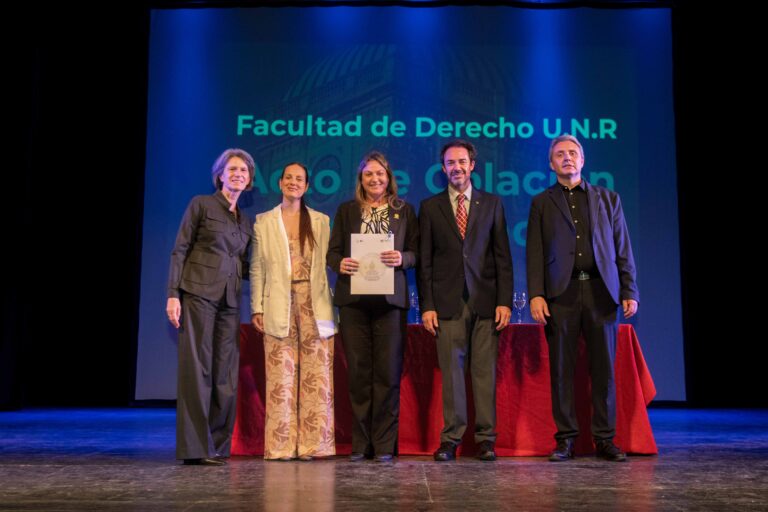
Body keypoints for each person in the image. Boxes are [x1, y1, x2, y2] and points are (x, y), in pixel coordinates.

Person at [526, 134, 639, 462]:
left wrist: (629, 290)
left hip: (602, 292)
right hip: (561, 295)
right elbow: (534, 253)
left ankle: (605, 438)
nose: (567, 158)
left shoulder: (608, 199)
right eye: (560, 154)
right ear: (551, 164)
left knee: (604, 370)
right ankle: (565, 439)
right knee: (561, 370)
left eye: (573, 153)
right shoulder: (541, 202)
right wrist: (536, 295)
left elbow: (622, 248)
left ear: (583, 159)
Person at [418, 140, 513, 462]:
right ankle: (451, 440)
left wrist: (504, 301)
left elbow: (503, 257)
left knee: (484, 373)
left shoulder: (493, 204)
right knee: (452, 374)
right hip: (447, 303)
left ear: (472, 165)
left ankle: (486, 440)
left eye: (461, 162)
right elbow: (425, 263)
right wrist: (427, 306)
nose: (456, 167)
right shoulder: (430, 207)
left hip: (486, 301)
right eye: (450, 163)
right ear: (443, 168)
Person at [327, 151, 419, 462]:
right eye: (368, 174)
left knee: (387, 375)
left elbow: (417, 252)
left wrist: (402, 258)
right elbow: (332, 253)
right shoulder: (347, 210)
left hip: (390, 304)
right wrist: (340, 263)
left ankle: (384, 445)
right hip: (353, 303)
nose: (375, 179)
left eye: (380, 173)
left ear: (388, 177)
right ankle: (360, 443)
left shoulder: (404, 210)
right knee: (358, 374)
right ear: (361, 179)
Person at [166, 148, 255, 466]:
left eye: (244, 171)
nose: (238, 174)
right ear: (220, 175)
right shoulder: (201, 204)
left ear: (250, 179)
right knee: (197, 369)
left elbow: (247, 264)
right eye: (232, 169)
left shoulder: (245, 220)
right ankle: (195, 448)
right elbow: (180, 249)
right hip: (198, 294)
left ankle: (217, 445)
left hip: (230, 302)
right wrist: (173, 294)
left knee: (225, 374)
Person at [250, 162, 336, 461]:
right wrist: (257, 307)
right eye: (289, 177)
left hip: (316, 303)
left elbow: (330, 263)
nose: (293, 182)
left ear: (307, 186)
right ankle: (281, 446)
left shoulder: (321, 220)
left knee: (317, 374)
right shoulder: (264, 221)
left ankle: (314, 445)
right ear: (280, 182)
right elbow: (257, 267)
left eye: (299, 179)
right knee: (281, 377)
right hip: (278, 303)